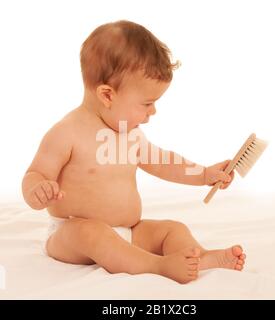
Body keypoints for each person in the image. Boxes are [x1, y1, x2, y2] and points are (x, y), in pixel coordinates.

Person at [22, 20, 245, 284]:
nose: (153, 112)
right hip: (71, 235)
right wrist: (38, 190)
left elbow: (164, 163)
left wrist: (204, 174)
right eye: (147, 103)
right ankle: (158, 266)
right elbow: (35, 174)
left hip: (128, 232)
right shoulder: (66, 133)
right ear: (107, 95)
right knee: (93, 233)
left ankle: (201, 257)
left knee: (172, 230)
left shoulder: (130, 135)